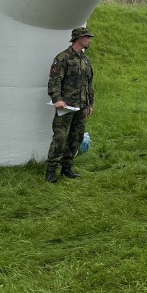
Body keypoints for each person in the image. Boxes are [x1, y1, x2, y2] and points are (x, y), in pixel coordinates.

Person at [45, 26, 95, 183]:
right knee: (60, 138)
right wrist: (57, 99)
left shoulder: (85, 60)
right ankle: (51, 171)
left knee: (76, 137)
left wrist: (90, 103)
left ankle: (66, 168)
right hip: (65, 106)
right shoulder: (63, 58)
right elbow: (55, 80)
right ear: (78, 38)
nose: (89, 40)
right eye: (87, 37)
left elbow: (89, 83)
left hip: (81, 106)